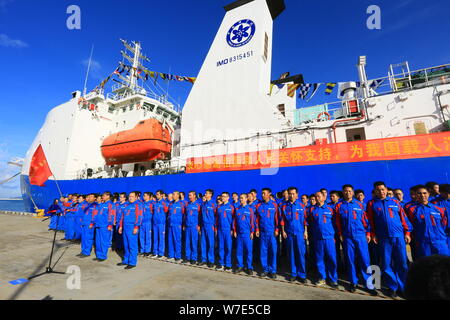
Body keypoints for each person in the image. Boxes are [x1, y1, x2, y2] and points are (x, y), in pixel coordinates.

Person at [366, 181, 413, 298]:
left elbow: (403, 218)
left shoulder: (395, 202)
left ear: (386, 190)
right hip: (383, 238)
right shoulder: (372, 204)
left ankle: (403, 288)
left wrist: (407, 232)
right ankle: (392, 287)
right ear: (375, 191)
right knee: (387, 264)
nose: (381, 192)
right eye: (378, 190)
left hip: (398, 236)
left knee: (402, 263)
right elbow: (370, 221)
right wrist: (373, 234)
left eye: (382, 189)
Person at [335, 185, 377, 295]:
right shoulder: (339, 205)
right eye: (345, 191)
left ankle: (368, 284)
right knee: (350, 260)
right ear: (343, 193)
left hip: (360, 236)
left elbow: (366, 220)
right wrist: (340, 234)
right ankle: (353, 282)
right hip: (347, 236)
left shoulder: (360, 205)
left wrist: (368, 233)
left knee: (364, 260)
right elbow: (338, 222)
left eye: (349, 191)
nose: (348, 193)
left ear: (353, 193)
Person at [406, 186, 448, 258]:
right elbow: (409, 225)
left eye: (424, 193)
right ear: (415, 195)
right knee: (427, 266)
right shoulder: (411, 210)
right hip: (423, 243)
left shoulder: (439, 209)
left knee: (444, 264)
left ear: (428, 194)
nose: (422, 195)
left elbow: (444, 224)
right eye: (419, 193)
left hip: (440, 242)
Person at [308, 191, 338, 288]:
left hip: (329, 238)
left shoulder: (330, 209)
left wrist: (334, 235)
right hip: (318, 238)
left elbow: (335, 222)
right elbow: (310, 223)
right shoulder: (312, 210)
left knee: (331, 259)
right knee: (319, 259)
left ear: (324, 197)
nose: (317, 198)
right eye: (315, 196)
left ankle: (333, 279)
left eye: (319, 196)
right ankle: (322, 278)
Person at [280, 187, 308, 283]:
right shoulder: (284, 206)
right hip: (289, 233)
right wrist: (283, 231)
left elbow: (305, 220)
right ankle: (293, 273)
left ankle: (302, 274)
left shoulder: (302, 205)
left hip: (300, 233)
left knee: (300, 254)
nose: (291, 195)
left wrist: (305, 231)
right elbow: (282, 220)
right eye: (290, 194)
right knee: (291, 254)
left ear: (297, 194)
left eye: (293, 193)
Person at [255, 188, 279, 279]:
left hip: (272, 232)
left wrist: (277, 230)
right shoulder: (259, 206)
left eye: (264, 193)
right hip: (262, 232)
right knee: (263, 251)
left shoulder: (274, 205)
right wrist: (257, 229)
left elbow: (277, 219)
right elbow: (256, 219)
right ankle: (265, 269)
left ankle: (273, 271)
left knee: (272, 251)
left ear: (269, 194)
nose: (263, 195)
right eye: (262, 193)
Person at [117, 191, 143, 269]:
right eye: (129, 196)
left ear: (135, 197)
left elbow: (139, 217)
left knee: (132, 245)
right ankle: (126, 260)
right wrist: (121, 226)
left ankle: (132, 262)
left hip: (132, 227)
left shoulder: (138, 205)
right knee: (126, 245)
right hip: (125, 227)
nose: (130, 197)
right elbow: (122, 217)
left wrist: (136, 227)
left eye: (132, 196)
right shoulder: (126, 205)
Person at [233, 193, 256, 275]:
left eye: (242, 198)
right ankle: (240, 266)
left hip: (247, 233)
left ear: (246, 199)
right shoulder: (237, 209)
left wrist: (252, 232)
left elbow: (253, 221)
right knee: (239, 250)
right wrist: (235, 231)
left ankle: (249, 267)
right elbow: (235, 221)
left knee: (248, 251)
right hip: (239, 233)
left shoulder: (250, 209)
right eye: (240, 198)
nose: (240, 199)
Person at [91, 191, 115, 262]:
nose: (102, 197)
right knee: (98, 241)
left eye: (104, 196)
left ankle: (103, 256)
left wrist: (110, 225)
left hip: (105, 225)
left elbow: (111, 215)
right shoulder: (101, 204)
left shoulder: (110, 204)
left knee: (104, 241)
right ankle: (99, 255)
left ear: (108, 196)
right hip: (98, 225)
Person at [216, 192, 235, 271]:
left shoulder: (231, 207)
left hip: (228, 230)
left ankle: (228, 264)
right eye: (222, 196)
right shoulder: (219, 207)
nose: (222, 198)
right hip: (220, 229)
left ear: (228, 197)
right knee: (221, 247)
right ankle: (221, 264)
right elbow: (217, 219)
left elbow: (234, 219)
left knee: (228, 247)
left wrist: (232, 229)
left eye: (224, 196)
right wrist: (216, 229)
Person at [77, 193, 97, 258]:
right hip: (84, 224)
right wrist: (81, 222)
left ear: (95, 198)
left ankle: (87, 252)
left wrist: (92, 223)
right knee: (83, 238)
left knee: (88, 238)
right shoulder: (87, 205)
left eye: (91, 196)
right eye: (89, 196)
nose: (89, 198)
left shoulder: (95, 205)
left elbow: (95, 215)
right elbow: (84, 214)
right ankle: (83, 251)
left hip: (89, 224)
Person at [200, 189, 217, 268]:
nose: (205, 194)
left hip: (210, 226)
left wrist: (215, 226)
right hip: (204, 225)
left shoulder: (214, 204)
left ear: (210, 194)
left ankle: (211, 261)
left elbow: (216, 216)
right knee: (203, 243)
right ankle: (204, 259)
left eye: (206, 193)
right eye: (205, 193)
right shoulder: (203, 204)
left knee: (210, 244)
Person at [184, 191, 201, 264]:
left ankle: (194, 258)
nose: (189, 197)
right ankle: (187, 257)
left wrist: (199, 225)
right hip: (188, 226)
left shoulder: (198, 205)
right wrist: (184, 224)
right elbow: (185, 215)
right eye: (189, 195)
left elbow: (200, 216)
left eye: (190, 195)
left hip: (194, 226)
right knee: (187, 242)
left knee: (194, 243)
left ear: (194, 196)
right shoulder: (188, 205)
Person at [167, 191, 185, 261]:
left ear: (178, 195)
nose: (173, 196)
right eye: (172, 194)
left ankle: (178, 255)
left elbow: (184, 215)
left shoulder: (182, 204)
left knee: (177, 240)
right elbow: (169, 213)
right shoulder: (171, 204)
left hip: (177, 225)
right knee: (170, 240)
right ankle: (171, 254)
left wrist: (182, 224)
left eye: (174, 195)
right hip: (170, 224)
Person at [432, 184, 450, 249]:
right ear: (440, 192)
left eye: (449, 193)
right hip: (441, 231)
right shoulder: (434, 203)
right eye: (445, 193)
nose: (448, 195)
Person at [152, 190, 169, 257]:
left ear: (162, 195)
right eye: (156, 194)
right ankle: (155, 252)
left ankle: (161, 253)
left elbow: (166, 212)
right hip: (155, 223)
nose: (157, 195)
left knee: (161, 238)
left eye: (158, 194)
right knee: (155, 238)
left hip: (161, 223)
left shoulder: (165, 203)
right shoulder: (155, 203)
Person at [139, 192, 153, 257]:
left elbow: (153, 213)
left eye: (145, 196)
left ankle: (147, 251)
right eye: (143, 196)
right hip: (142, 222)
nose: (144, 197)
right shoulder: (142, 204)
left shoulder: (151, 204)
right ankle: (142, 250)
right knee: (141, 237)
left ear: (148, 196)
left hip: (148, 222)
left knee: (147, 237)